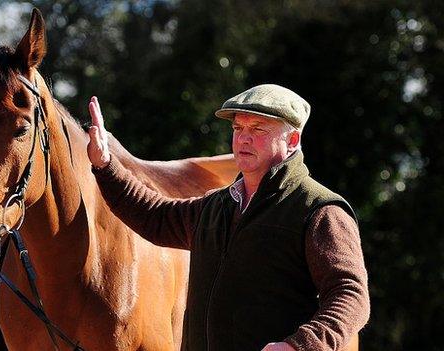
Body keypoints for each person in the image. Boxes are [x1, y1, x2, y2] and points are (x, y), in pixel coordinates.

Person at [86, 84, 370, 351]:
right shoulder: (216, 206)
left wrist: (302, 344)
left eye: (258, 128)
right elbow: (155, 216)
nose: (244, 138)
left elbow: (351, 295)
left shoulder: (320, 210)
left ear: (292, 140)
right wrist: (105, 165)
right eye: (238, 127)